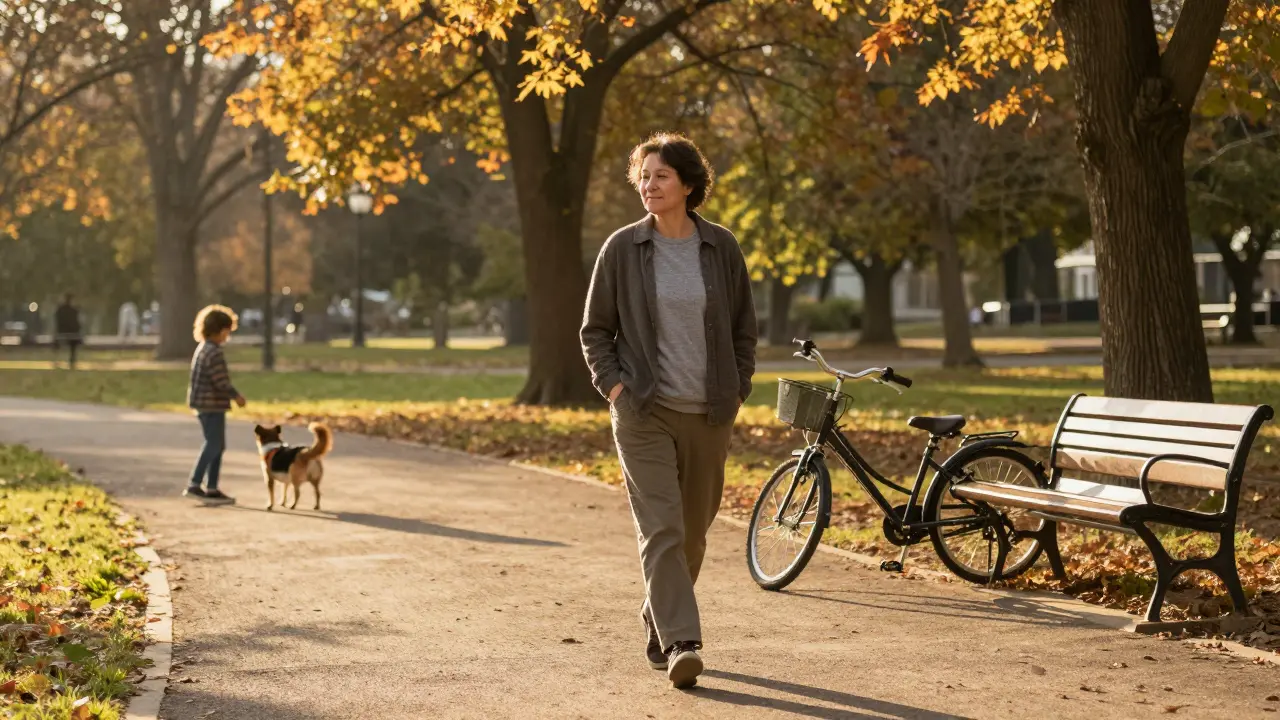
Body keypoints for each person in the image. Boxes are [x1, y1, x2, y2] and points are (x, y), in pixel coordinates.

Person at [580, 132, 757, 689]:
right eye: (643, 177)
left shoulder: (721, 247)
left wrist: (740, 384)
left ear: (687, 184)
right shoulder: (622, 249)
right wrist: (615, 388)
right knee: (662, 528)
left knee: (694, 533)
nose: (648, 186)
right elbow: (595, 331)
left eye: (659, 176)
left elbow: (742, 329)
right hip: (644, 411)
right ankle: (684, 639)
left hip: (709, 411)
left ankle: (659, 619)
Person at [185, 305, 246, 504]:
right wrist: (236, 396)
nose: (228, 336)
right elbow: (221, 381)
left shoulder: (202, 348)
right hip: (212, 404)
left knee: (217, 445)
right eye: (228, 331)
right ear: (220, 330)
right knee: (213, 444)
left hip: (202, 404)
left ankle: (212, 488)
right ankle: (195, 483)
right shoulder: (214, 352)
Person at [53, 294, 82, 369]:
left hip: (62, 332)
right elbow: (77, 323)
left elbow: (58, 322)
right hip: (71, 333)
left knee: (57, 342)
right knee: (73, 343)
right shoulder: (74, 310)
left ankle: (56, 360)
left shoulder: (60, 310)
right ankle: (72, 360)